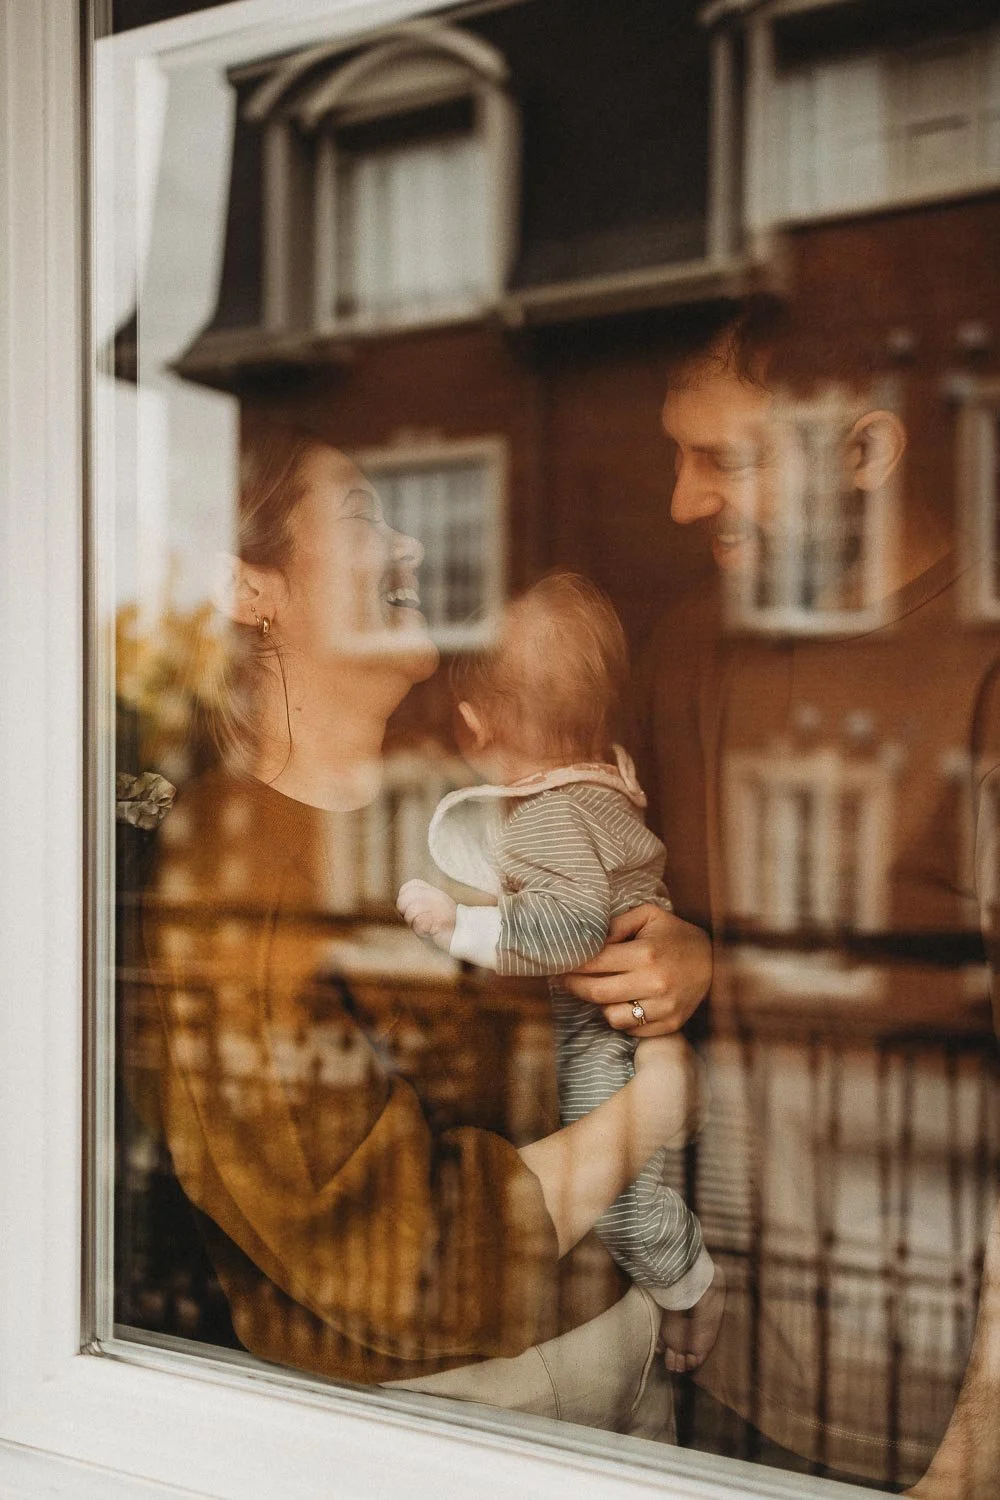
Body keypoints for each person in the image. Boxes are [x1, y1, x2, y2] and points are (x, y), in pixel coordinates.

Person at [124, 420, 708, 1434]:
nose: (412, 547)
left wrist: (680, 956)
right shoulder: (229, 880)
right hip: (448, 1412)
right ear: (250, 591)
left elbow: (591, 932)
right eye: (361, 518)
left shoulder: (449, 798)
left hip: (608, 1345)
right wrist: (651, 1112)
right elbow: (384, 1254)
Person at [557, 296, 1000, 1491]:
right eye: (677, 453)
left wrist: (978, 1440)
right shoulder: (687, 643)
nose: (683, 501)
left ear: (864, 450)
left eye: (728, 460)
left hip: (920, 1394)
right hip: (704, 1343)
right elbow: (622, 917)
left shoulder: (985, 660)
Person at [395, 571, 725, 1372]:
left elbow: (572, 927)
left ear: (474, 725)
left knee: (613, 1186)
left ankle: (687, 1282)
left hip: (605, 1031)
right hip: (630, 1018)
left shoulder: (547, 817)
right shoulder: (603, 786)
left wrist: (463, 925)